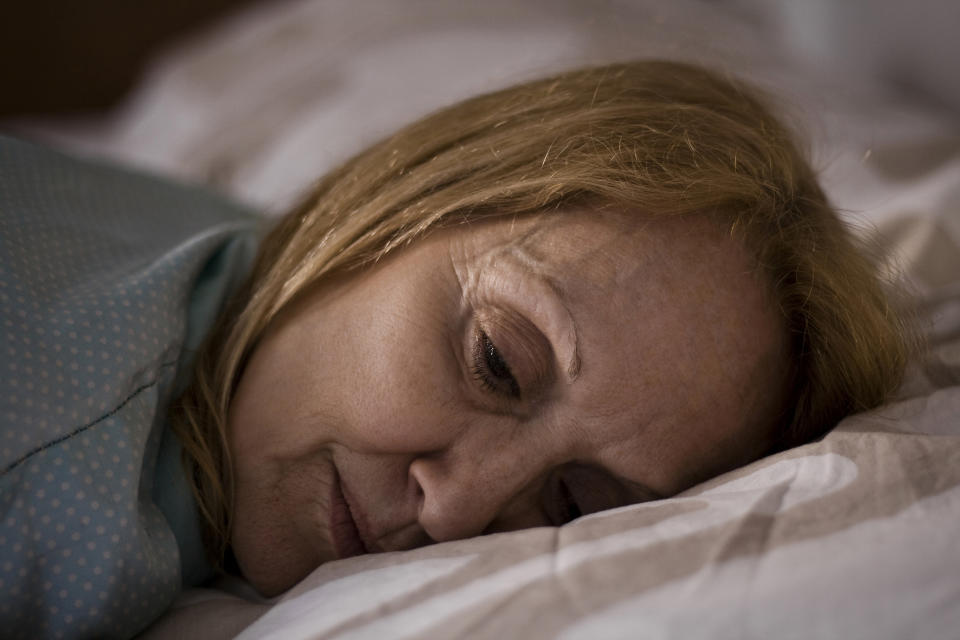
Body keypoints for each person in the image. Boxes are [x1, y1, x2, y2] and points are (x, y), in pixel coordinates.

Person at [0, 59, 909, 638]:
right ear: (403, 208)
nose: (457, 510)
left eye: (571, 501)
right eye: (498, 363)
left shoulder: (226, 263)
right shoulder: (52, 465)